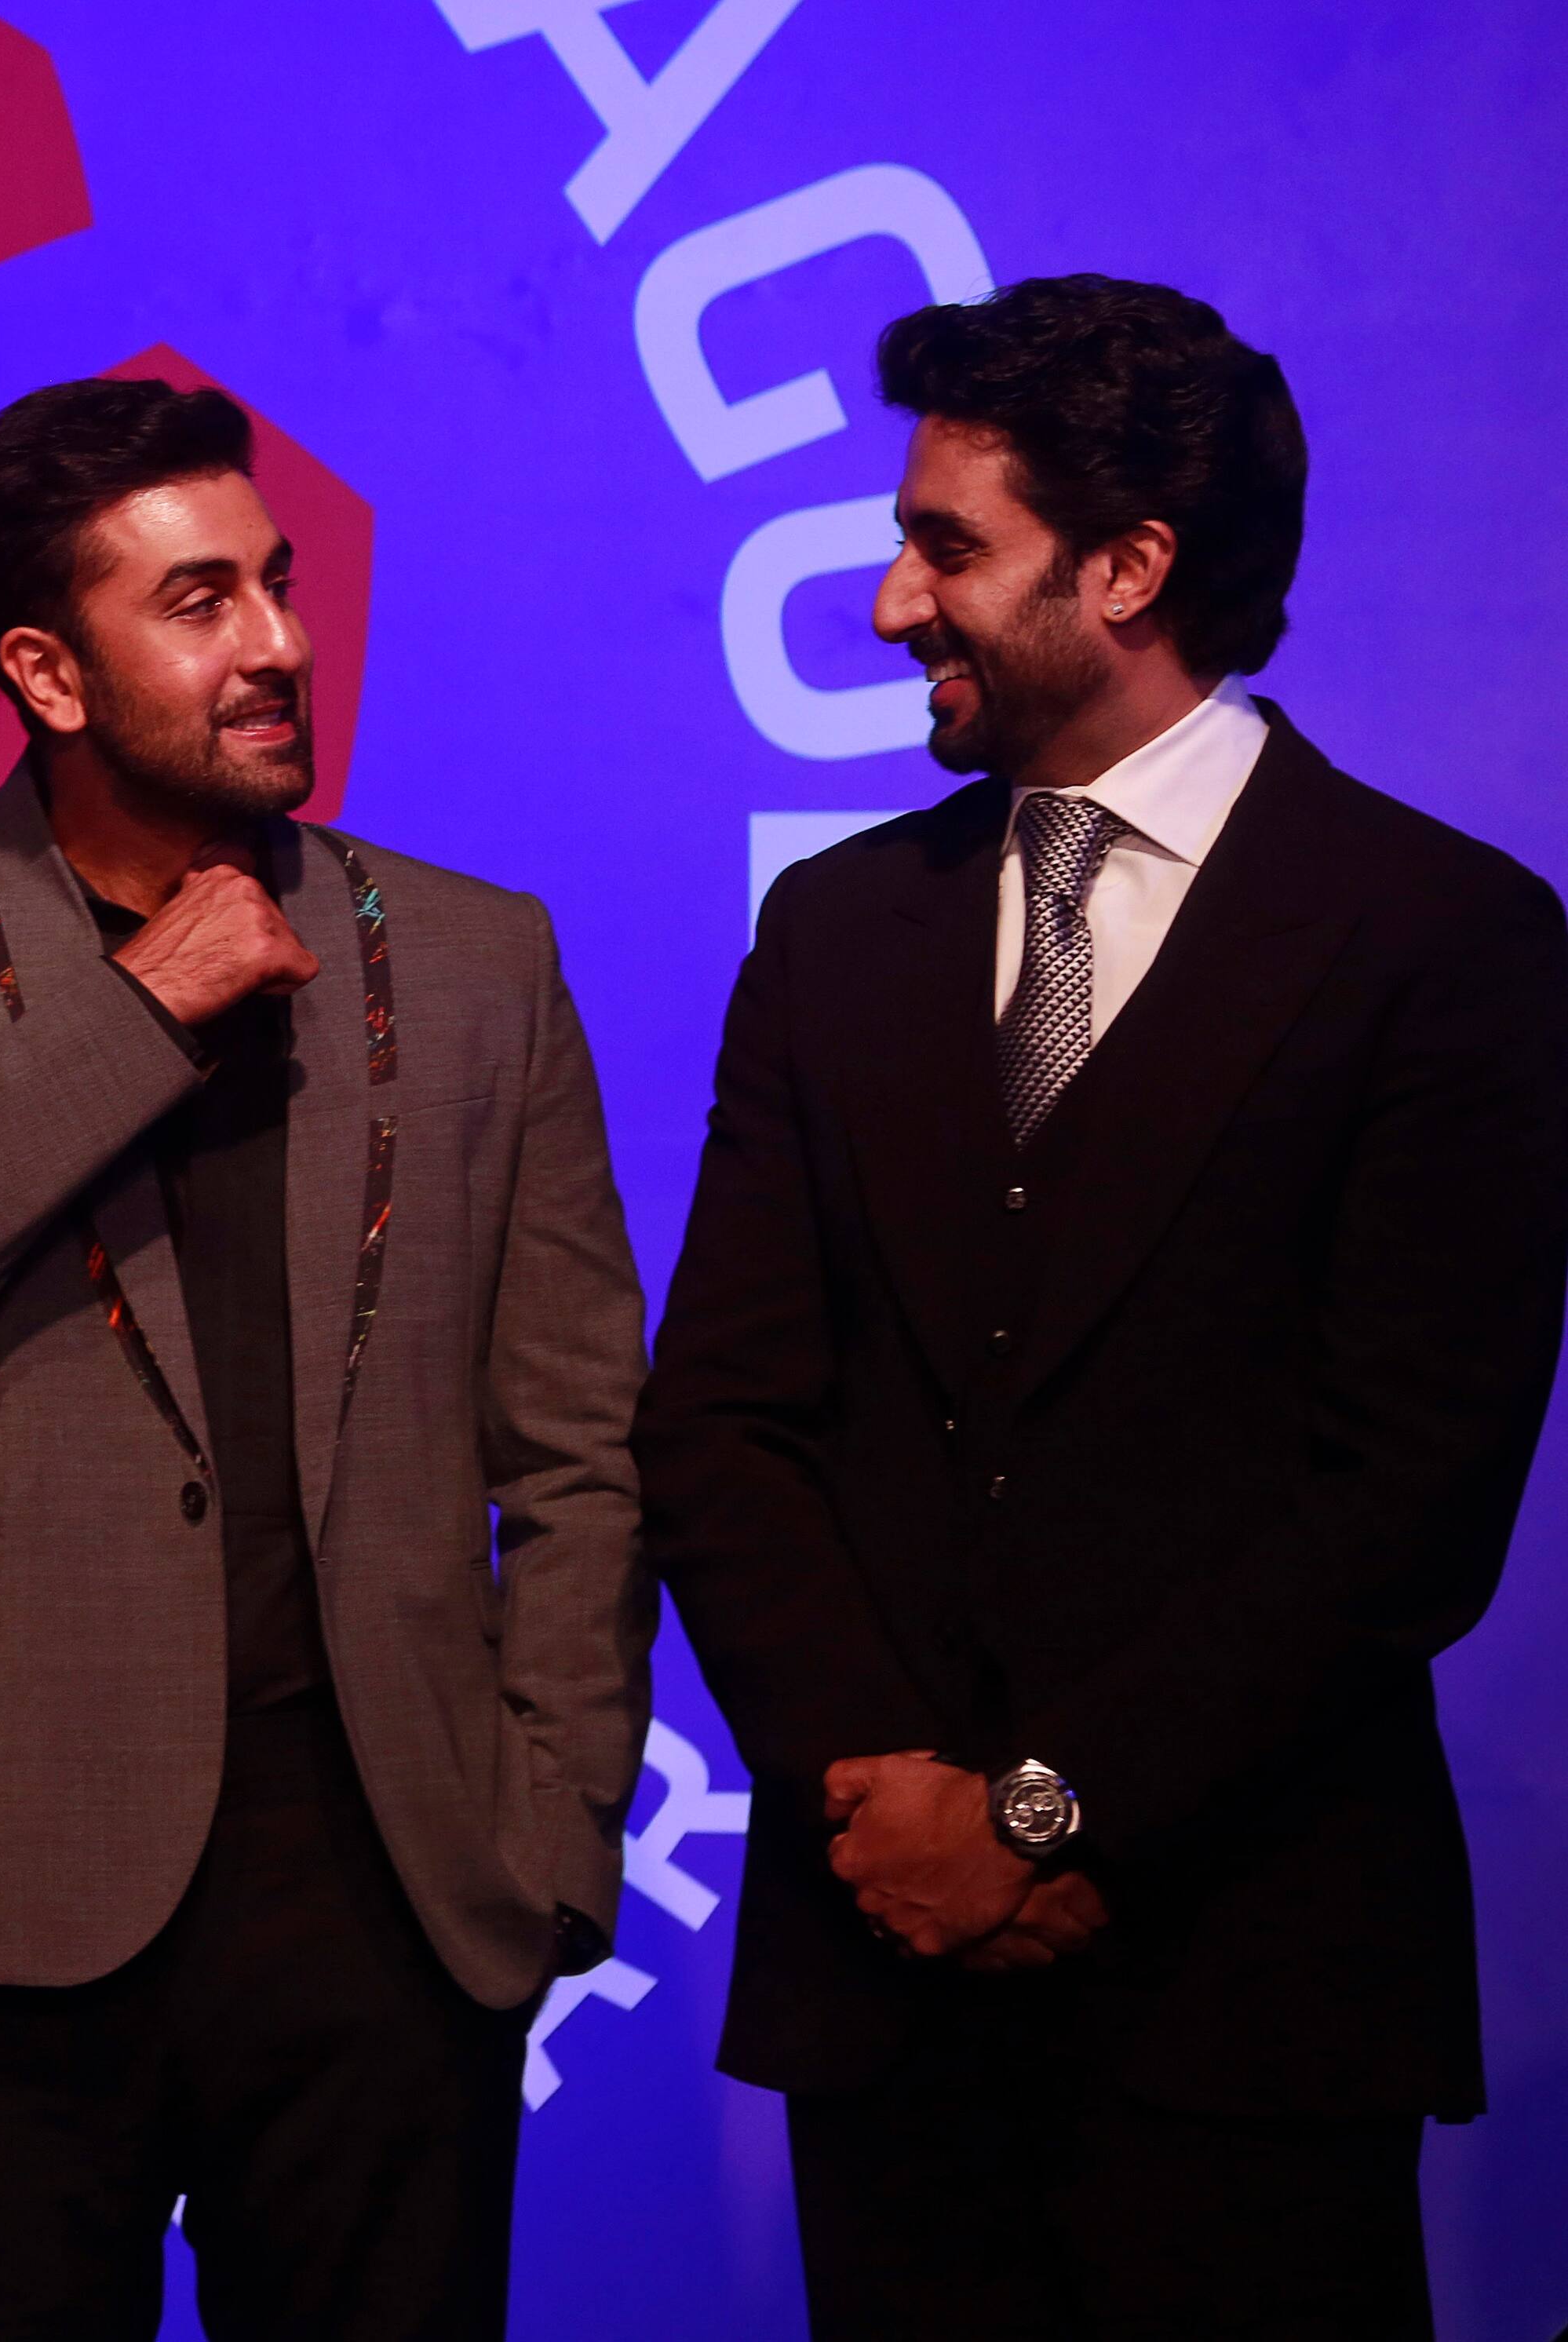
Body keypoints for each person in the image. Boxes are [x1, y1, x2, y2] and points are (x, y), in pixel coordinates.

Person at [639, 275, 1568, 2340]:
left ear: (1131, 567)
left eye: (946, 546)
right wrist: (887, 1801)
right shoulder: (836, 927)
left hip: (1247, 1994)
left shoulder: (1447, 943)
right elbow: (718, 1417)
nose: (890, 603)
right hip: (883, 1996)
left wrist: (1050, 1818)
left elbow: (1408, 1497)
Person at [0, 378, 652, 2341]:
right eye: (203, 602)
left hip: (390, 1893)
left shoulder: (481, 959)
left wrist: (551, 1826)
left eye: (280, 585)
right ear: (47, 671)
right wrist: (142, 1010)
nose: (282, 646)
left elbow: (576, 1442)